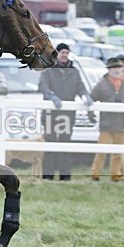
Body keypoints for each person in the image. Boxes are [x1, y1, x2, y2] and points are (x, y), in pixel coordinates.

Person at [37, 43, 92, 180]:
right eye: (62, 52)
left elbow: (80, 86)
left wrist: (85, 95)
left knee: (65, 144)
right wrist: (50, 95)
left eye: (67, 53)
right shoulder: (48, 69)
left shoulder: (74, 71)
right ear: (57, 53)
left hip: (67, 114)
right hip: (51, 113)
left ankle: (65, 176)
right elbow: (42, 85)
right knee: (50, 144)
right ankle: (48, 176)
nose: (64, 55)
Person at [89, 57, 124, 181]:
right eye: (114, 67)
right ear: (109, 70)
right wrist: (90, 114)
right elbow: (91, 98)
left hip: (123, 123)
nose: (117, 70)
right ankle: (95, 174)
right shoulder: (101, 84)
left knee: (118, 153)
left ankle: (116, 175)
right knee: (101, 150)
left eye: (119, 67)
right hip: (106, 123)